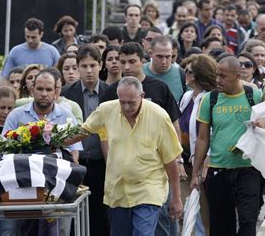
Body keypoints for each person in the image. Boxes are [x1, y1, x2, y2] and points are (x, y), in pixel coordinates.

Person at [65, 76, 183, 236]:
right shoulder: (107, 109)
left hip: (148, 188)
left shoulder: (159, 116)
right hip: (118, 189)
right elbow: (84, 130)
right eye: (122, 102)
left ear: (142, 96)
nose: (126, 107)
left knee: (143, 233)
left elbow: (170, 160)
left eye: (131, 102)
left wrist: (176, 198)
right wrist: (55, 140)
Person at [190, 57, 265, 236]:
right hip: (218, 170)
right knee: (220, 226)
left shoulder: (254, 95)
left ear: (237, 75)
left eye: (223, 76)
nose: (218, 80)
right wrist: (196, 173)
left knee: (248, 221)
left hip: (248, 169)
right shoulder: (210, 99)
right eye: (217, 75)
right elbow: (202, 139)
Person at [1, 69, 83, 236]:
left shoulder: (66, 115)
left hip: (57, 188)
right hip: (25, 187)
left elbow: (75, 152)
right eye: (40, 89)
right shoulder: (17, 115)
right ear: (32, 90)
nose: (44, 94)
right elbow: (4, 149)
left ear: (56, 92)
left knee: (58, 232)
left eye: (48, 90)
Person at [61, 44, 110, 236]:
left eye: (92, 65)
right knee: (74, 214)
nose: (88, 71)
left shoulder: (110, 92)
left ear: (100, 65)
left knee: (101, 214)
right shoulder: (66, 93)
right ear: (78, 67)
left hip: (102, 162)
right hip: (75, 162)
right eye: (84, 66)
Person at [178, 55, 217, 236]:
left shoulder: (209, 98)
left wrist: (205, 160)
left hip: (202, 164)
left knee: (203, 213)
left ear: (197, 75)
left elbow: (209, 133)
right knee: (189, 213)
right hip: (185, 163)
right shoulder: (186, 97)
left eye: (188, 71)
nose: (184, 73)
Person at [143, 35, 186, 102]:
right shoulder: (140, 72)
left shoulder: (182, 75)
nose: (164, 61)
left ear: (172, 53)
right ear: (150, 53)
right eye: (159, 56)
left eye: (168, 57)